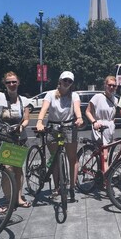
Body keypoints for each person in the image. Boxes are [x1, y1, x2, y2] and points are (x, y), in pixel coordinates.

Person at [36, 71, 83, 202]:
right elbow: (44, 109)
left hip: (68, 127)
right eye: (65, 80)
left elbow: (77, 109)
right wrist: (39, 121)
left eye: (70, 81)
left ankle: (72, 187)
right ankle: (57, 187)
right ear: (60, 80)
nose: (67, 83)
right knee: (55, 158)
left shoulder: (74, 95)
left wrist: (79, 118)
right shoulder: (50, 94)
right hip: (53, 127)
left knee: (72, 158)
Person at [0, 71, 31, 209]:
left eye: (14, 82)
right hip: (2, 140)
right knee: (7, 169)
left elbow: (27, 119)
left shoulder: (24, 100)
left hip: (18, 139)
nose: (11, 84)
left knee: (18, 169)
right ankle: (8, 199)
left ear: (18, 82)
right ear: (4, 84)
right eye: (8, 82)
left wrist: (21, 127)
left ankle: (18, 198)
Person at [85, 76, 118, 171]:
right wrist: (94, 122)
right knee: (105, 154)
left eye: (114, 86)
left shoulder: (115, 100)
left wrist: (112, 121)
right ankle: (106, 179)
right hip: (99, 127)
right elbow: (87, 111)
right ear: (105, 85)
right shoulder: (97, 97)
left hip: (110, 128)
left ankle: (101, 174)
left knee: (104, 153)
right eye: (109, 85)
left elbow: (114, 114)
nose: (111, 87)